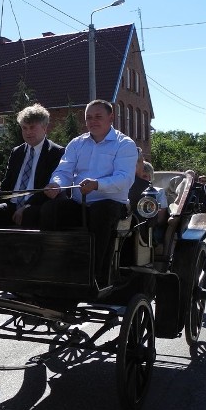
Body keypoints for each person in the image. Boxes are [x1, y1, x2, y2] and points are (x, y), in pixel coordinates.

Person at [40, 99, 138, 287]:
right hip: (80, 204)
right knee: (51, 210)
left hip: (111, 204)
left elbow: (124, 178)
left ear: (111, 118)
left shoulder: (124, 144)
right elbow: (63, 171)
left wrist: (97, 184)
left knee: (101, 212)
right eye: (88, 117)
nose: (92, 121)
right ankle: (50, 268)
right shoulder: (77, 143)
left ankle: (93, 276)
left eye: (98, 117)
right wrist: (56, 185)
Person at [0, 103, 64, 229]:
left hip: (36, 205)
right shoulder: (16, 152)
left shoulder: (56, 152)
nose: (28, 132)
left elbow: (48, 190)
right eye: (24, 128)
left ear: (45, 127)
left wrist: (27, 206)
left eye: (32, 127)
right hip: (12, 204)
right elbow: (7, 184)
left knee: (28, 215)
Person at [141, 161, 169, 243]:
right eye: (138, 176)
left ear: (150, 177)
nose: (141, 179)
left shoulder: (158, 192)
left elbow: (161, 218)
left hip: (152, 227)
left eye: (145, 176)